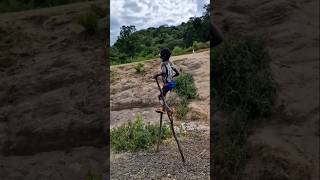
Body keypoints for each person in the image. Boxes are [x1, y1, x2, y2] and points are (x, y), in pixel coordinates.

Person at [153, 48, 179, 113]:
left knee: (160, 96)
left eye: (161, 56)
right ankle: (166, 108)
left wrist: (156, 75)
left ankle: (165, 109)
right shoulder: (170, 63)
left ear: (164, 56)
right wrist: (171, 76)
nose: (161, 57)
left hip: (167, 84)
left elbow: (164, 72)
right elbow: (177, 73)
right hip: (173, 83)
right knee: (164, 95)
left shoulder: (163, 64)